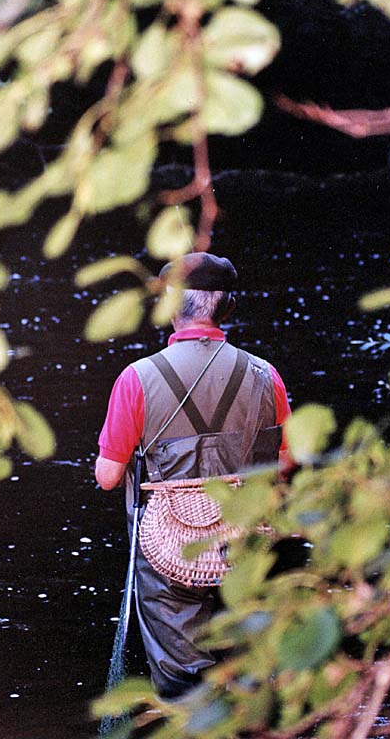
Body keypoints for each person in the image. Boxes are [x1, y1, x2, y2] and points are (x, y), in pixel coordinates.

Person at [95, 252, 291, 700]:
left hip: (168, 550)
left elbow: (108, 476)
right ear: (228, 308)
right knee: (253, 671)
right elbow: (287, 462)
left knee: (186, 687)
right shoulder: (267, 376)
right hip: (248, 542)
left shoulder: (135, 379)